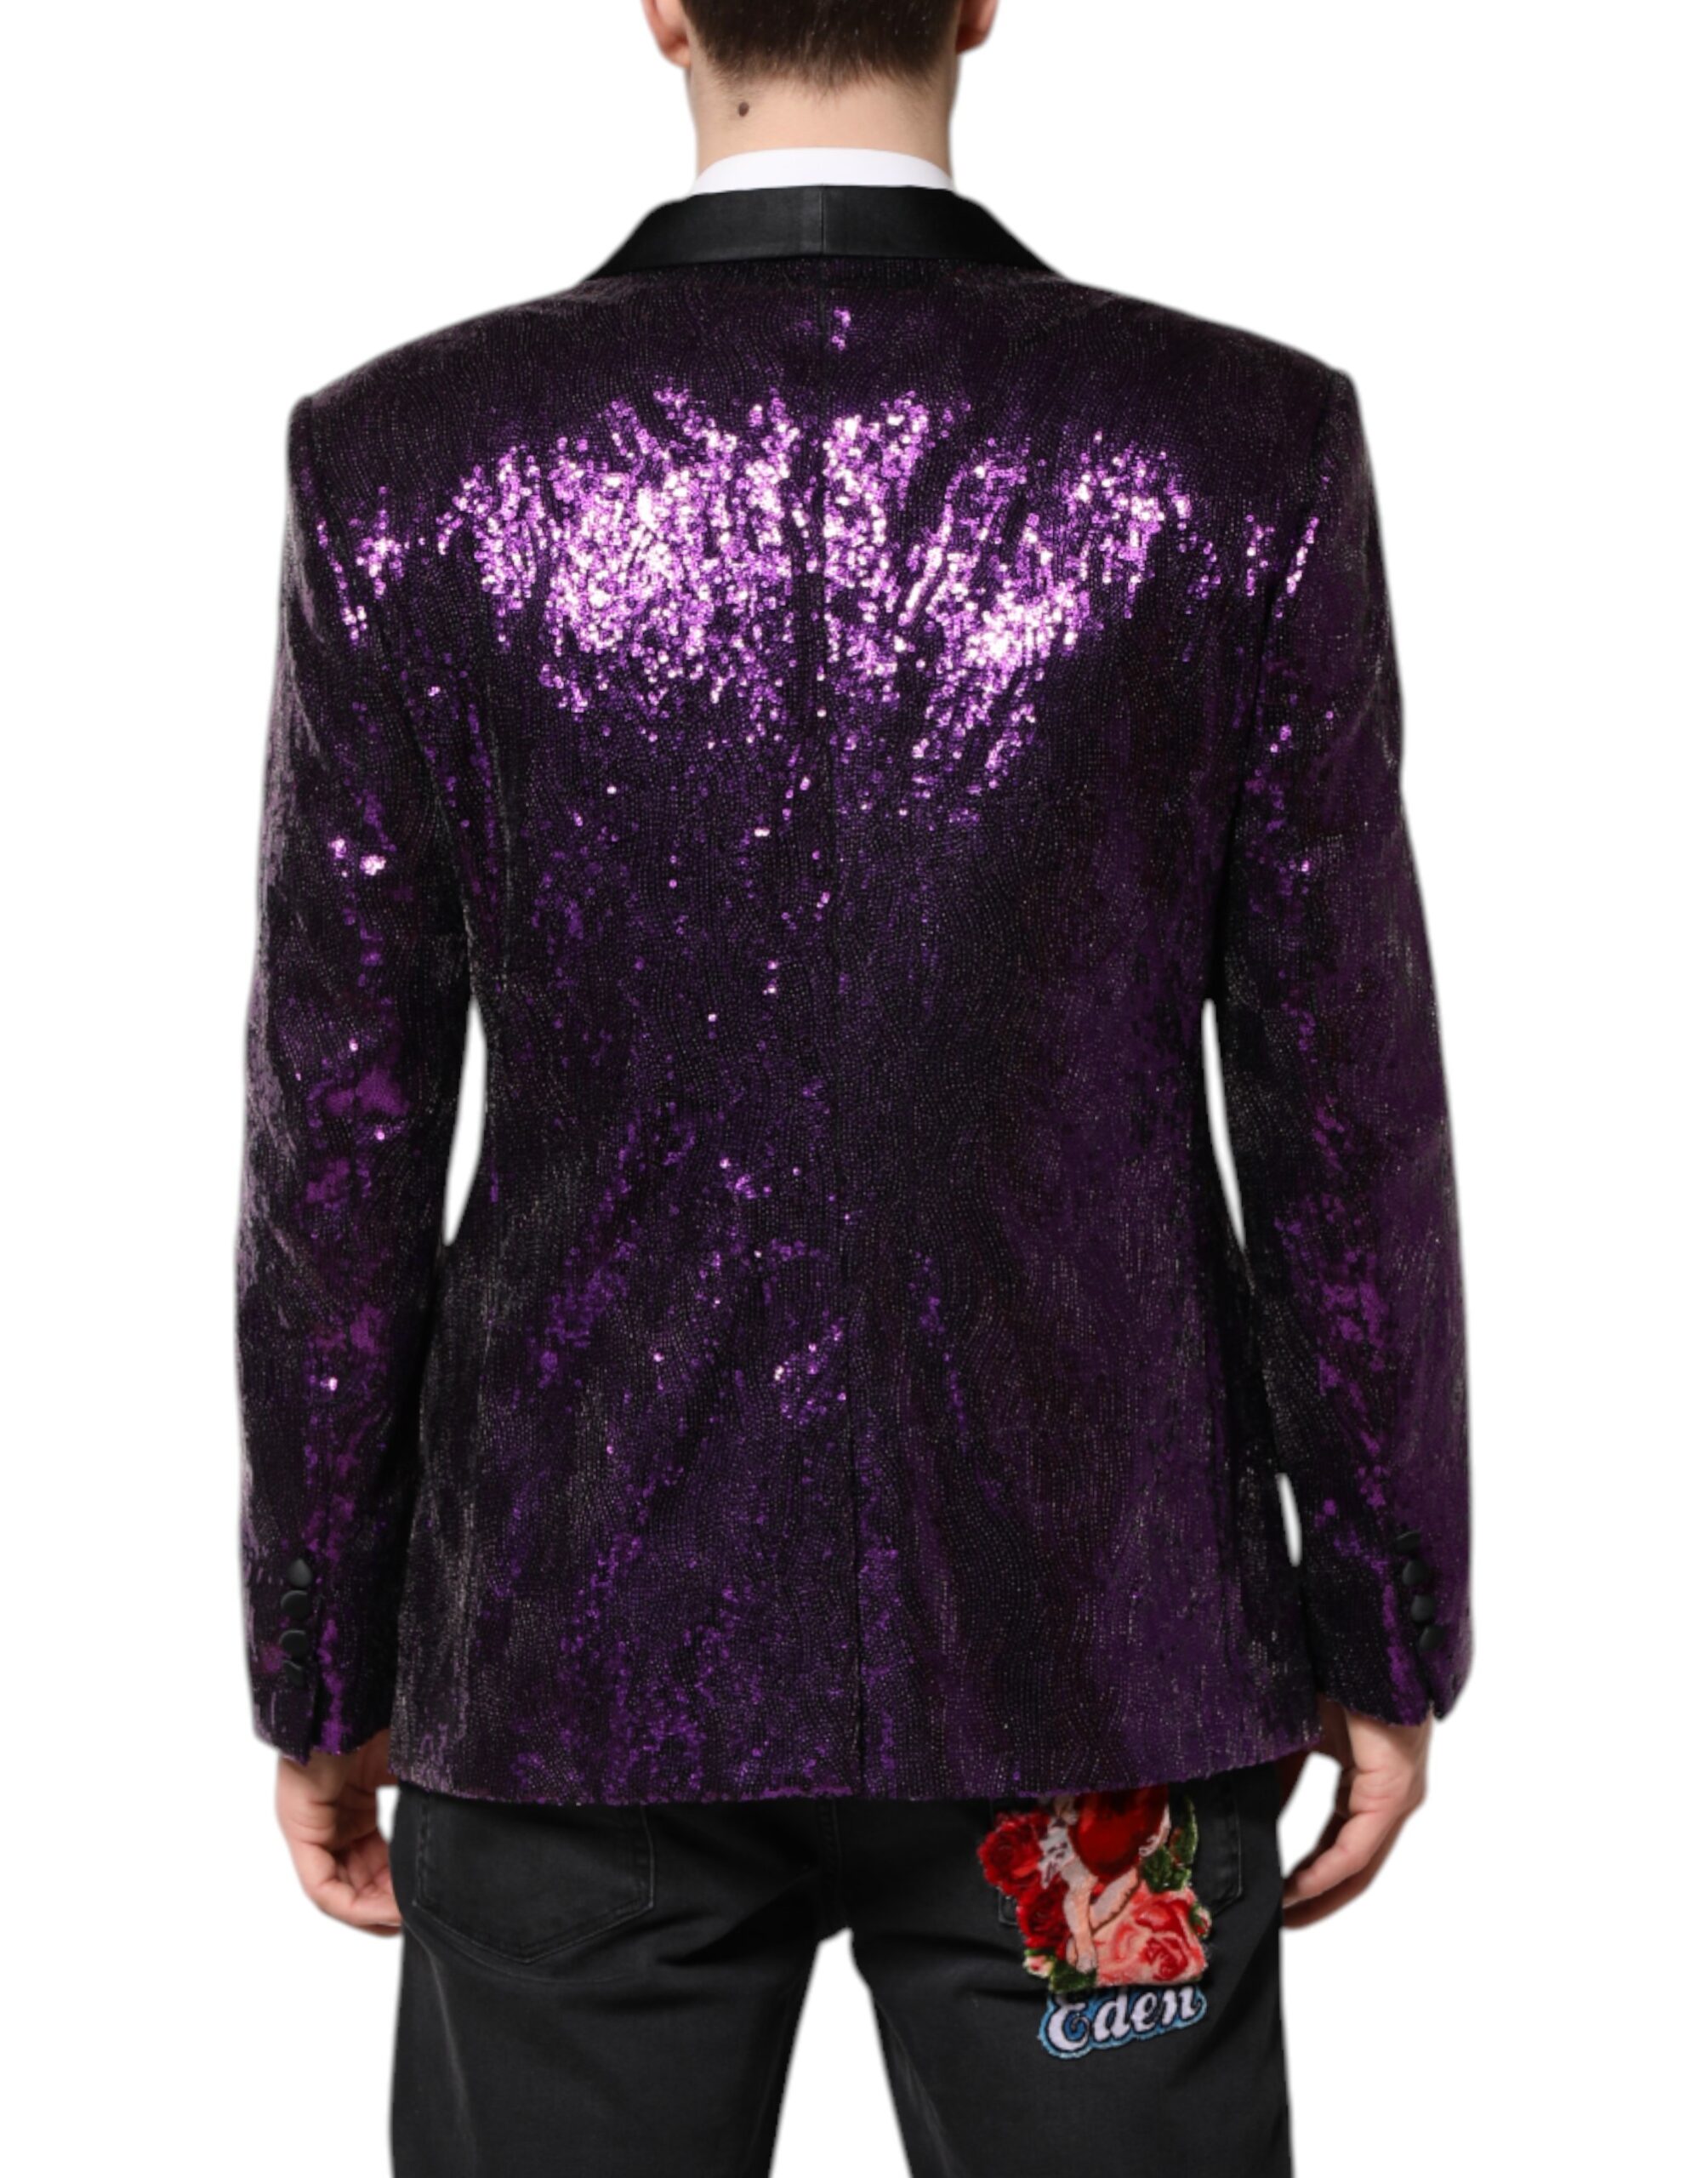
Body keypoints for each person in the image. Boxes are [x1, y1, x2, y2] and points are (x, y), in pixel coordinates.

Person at [235, 3, 1472, 2169]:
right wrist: (1384, 1613)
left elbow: (338, 1137)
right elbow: (1339, 1097)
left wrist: (324, 1655)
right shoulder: (1234, 450)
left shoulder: (412, 465)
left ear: (661, 4)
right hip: (1100, 1668)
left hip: (571, 1652)